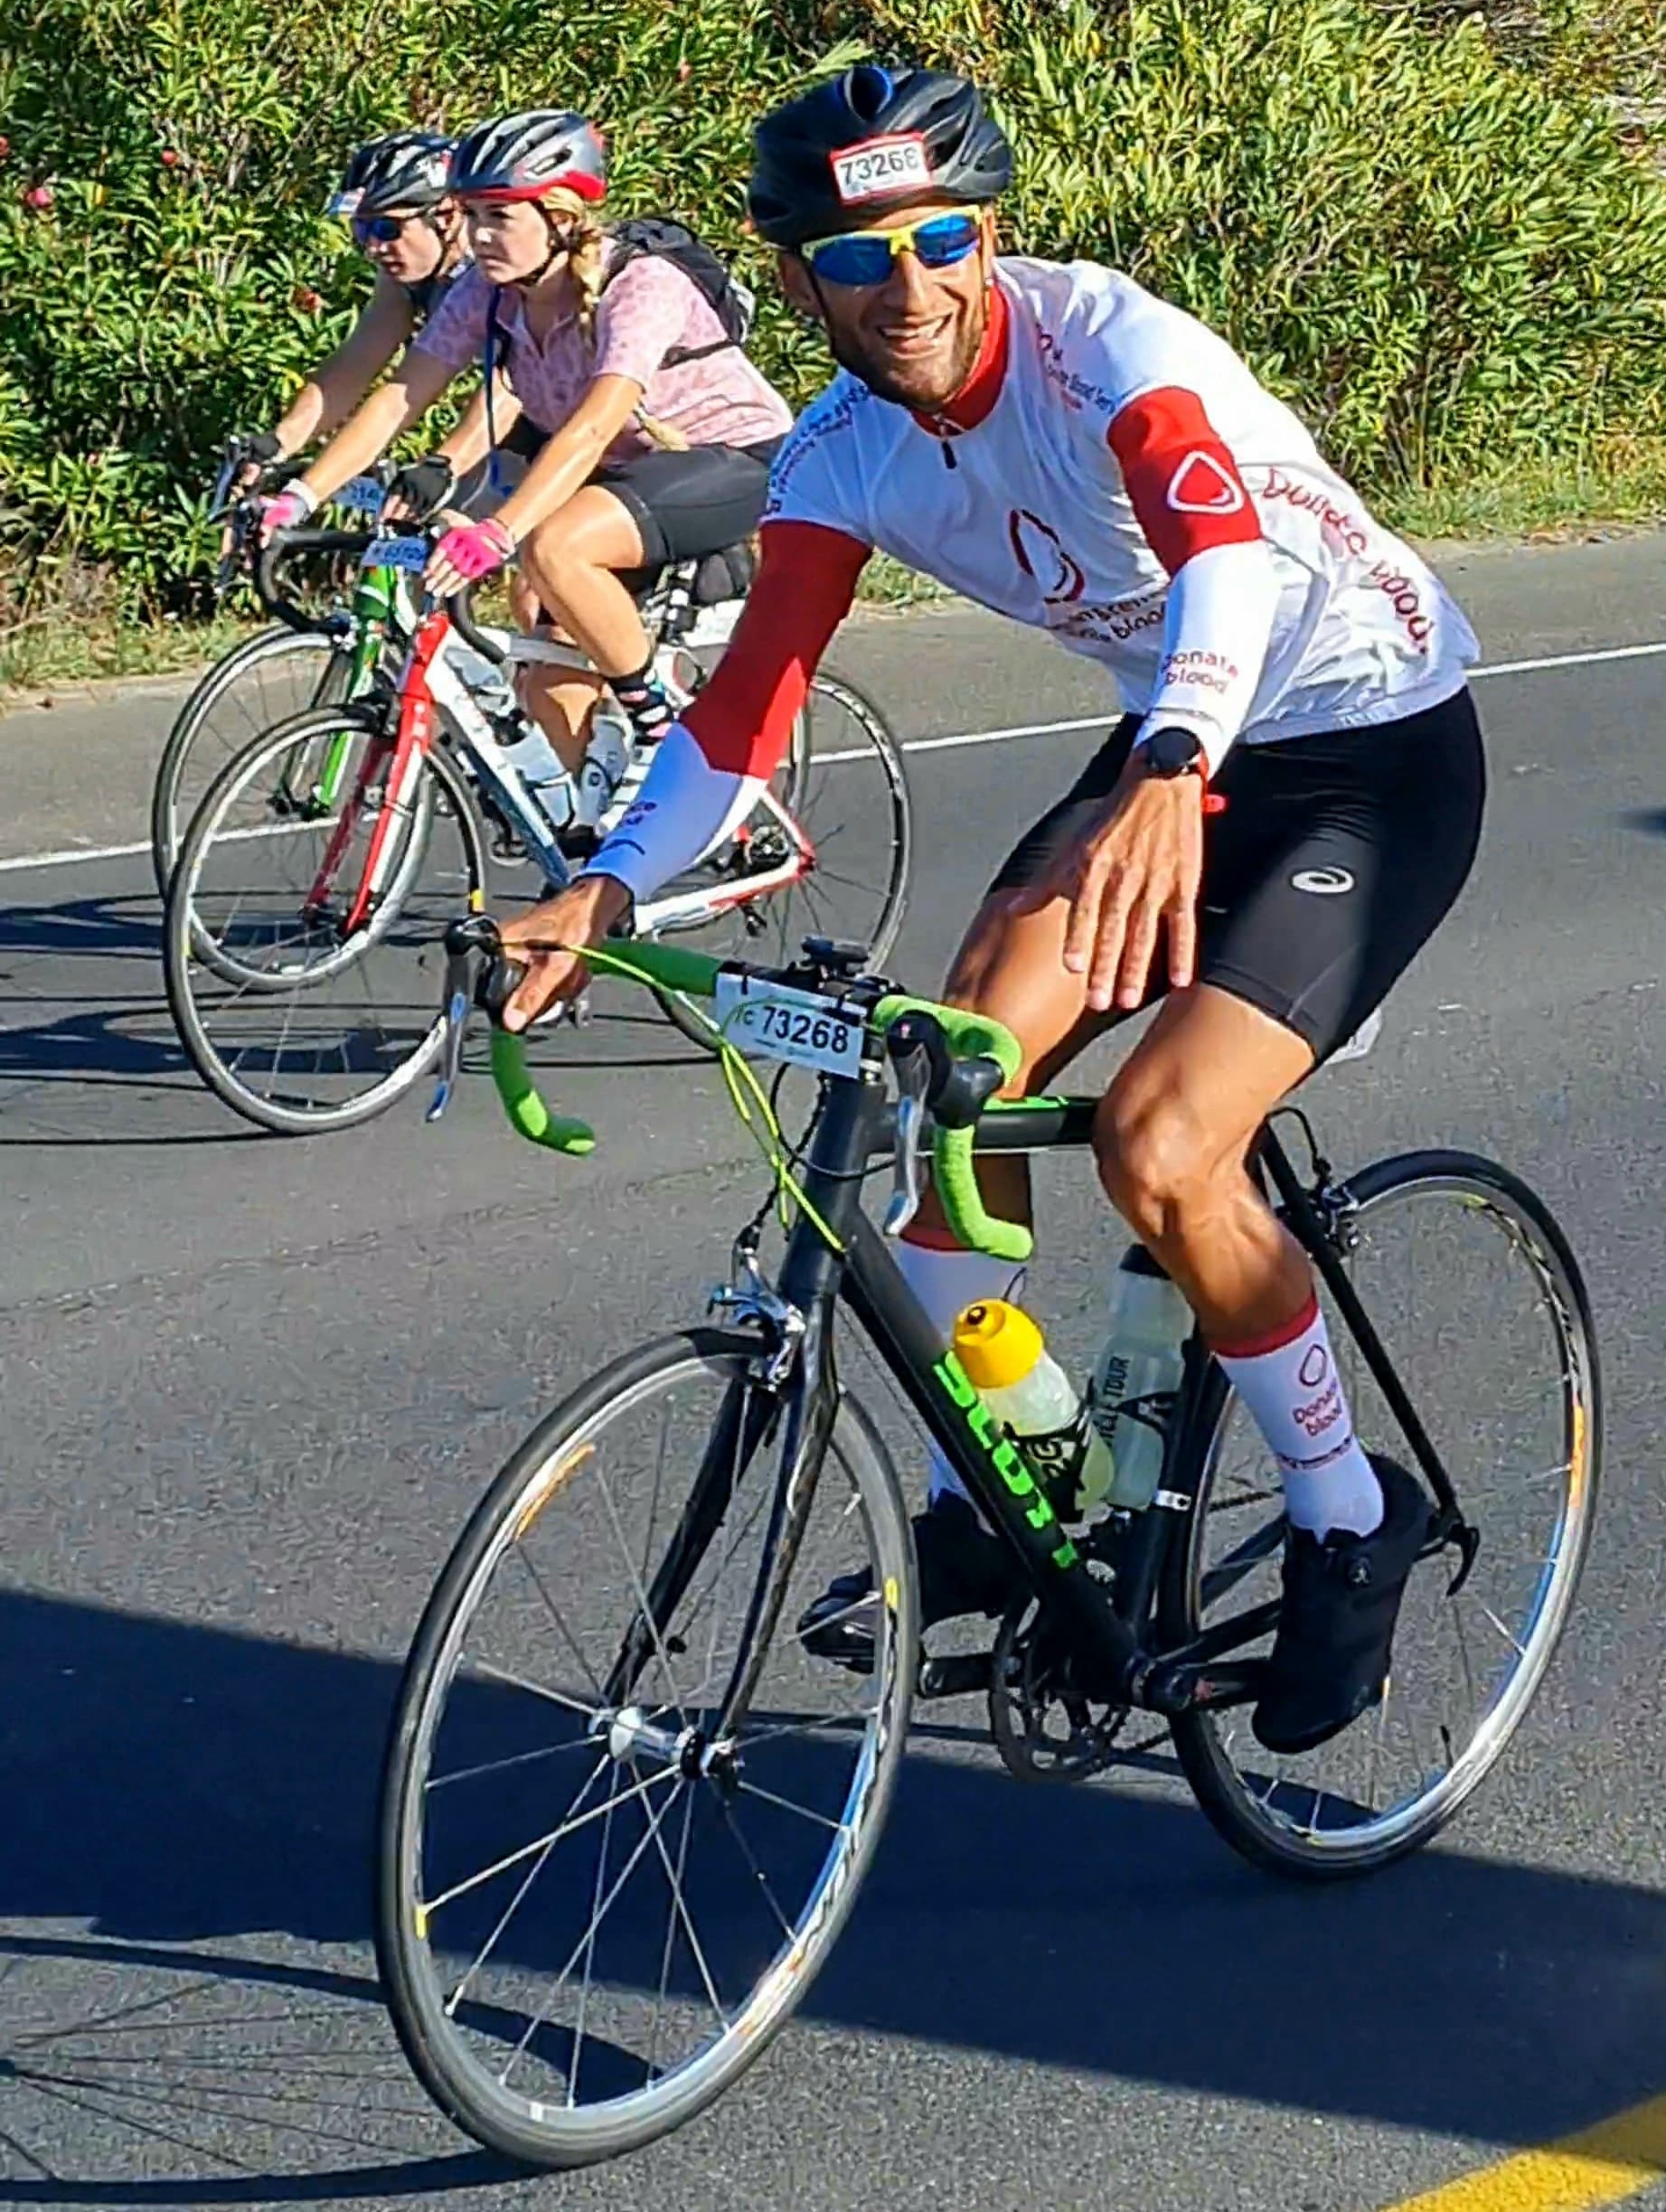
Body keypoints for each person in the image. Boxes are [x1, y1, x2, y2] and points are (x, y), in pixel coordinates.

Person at [495, 64, 1487, 1756]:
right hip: (1179, 735)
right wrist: (599, 882)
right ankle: (1037, 1471)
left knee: (1161, 1151)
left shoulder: (1115, 351)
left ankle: (1346, 1509)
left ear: (992, 233)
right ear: (794, 280)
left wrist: (1172, 764)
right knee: (941, 1081)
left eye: (941, 237)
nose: (911, 286)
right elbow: (746, 712)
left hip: (1366, 750)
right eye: (855, 256)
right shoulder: (842, 449)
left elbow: (1227, 568)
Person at [259, 108, 795, 805]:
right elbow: (399, 395)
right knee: (548, 671)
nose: (479, 237)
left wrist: (498, 531)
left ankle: (663, 723)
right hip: (626, 473)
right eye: (472, 214)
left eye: (500, 217)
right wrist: (300, 494)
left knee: (553, 548)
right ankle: (587, 840)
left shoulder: (641, 285)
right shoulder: (487, 290)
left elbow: (594, 426)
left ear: (563, 215)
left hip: (731, 457)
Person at [228, 132, 492, 515]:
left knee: (528, 548)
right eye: (362, 230)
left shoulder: (494, 274)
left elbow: (508, 390)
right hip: (530, 418)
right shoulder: (410, 275)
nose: (373, 247)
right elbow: (358, 361)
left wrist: (446, 462)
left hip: (580, 425)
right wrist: (281, 441)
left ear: (447, 216)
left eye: (386, 228)